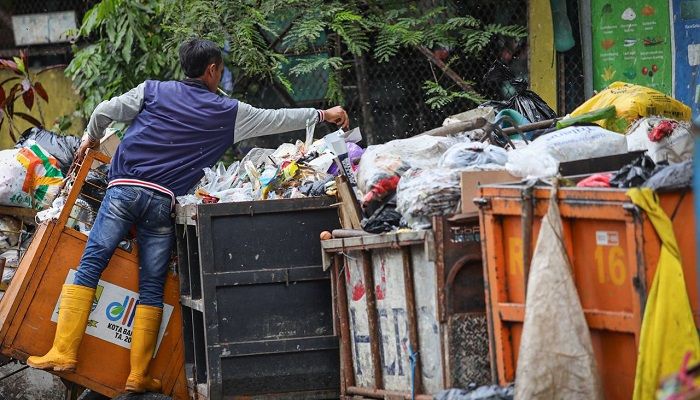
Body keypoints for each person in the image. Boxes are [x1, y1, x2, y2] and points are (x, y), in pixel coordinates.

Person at [26, 38, 349, 393]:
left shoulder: (153, 91)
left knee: (91, 264)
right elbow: (276, 119)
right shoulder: (229, 112)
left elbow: (104, 110)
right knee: (151, 285)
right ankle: (138, 376)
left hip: (123, 191)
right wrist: (322, 115)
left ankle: (63, 352)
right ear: (211, 70)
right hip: (162, 203)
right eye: (221, 69)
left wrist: (91, 137)